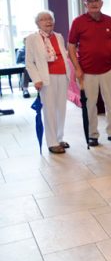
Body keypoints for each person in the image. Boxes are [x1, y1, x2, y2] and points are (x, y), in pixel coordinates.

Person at [68, 0, 111, 147]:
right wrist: (77, 68)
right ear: (85, 4)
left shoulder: (110, 21)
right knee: (90, 104)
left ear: (101, 3)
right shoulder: (78, 22)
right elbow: (71, 46)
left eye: (96, 0)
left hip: (109, 69)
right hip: (87, 71)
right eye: (90, 1)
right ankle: (92, 135)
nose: (94, 3)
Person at [25, 10, 71, 154]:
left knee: (61, 109)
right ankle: (52, 142)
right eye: (43, 19)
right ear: (38, 23)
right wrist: (36, 79)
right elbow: (29, 62)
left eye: (50, 18)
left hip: (62, 75)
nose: (48, 21)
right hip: (46, 78)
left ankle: (59, 137)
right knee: (49, 109)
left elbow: (63, 55)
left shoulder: (59, 36)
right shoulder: (32, 39)